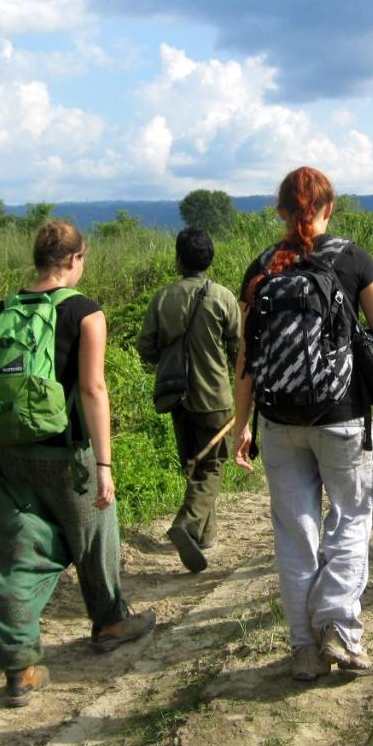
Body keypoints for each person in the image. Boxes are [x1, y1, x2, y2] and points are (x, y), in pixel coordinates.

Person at [231, 167, 373, 681]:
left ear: (279, 212)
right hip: (342, 416)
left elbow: (247, 358)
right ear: (329, 208)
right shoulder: (353, 258)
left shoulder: (260, 267)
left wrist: (240, 425)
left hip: (277, 421)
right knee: (351, 518)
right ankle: (340, 629)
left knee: (296, 534)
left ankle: (303, 651)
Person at [0, 220, 156, 707]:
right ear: (76, 259)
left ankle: (20, 668)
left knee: (9, 555)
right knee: (96, 536)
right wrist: (104, 464)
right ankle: (111, 621)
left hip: (7, 451)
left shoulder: (7, 308)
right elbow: (94, 389)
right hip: (64, 452)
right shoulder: (86, 313)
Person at [137, 227, 241, 573]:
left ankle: (204, 533)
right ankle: (186, 524)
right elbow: (238, 350)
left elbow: (146, 348)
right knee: (211, 465)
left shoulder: (163, 298)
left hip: (175, 395)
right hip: (215, 396)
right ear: (209, 259)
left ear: (179, 260)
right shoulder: (223, 298)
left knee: (193, 466)